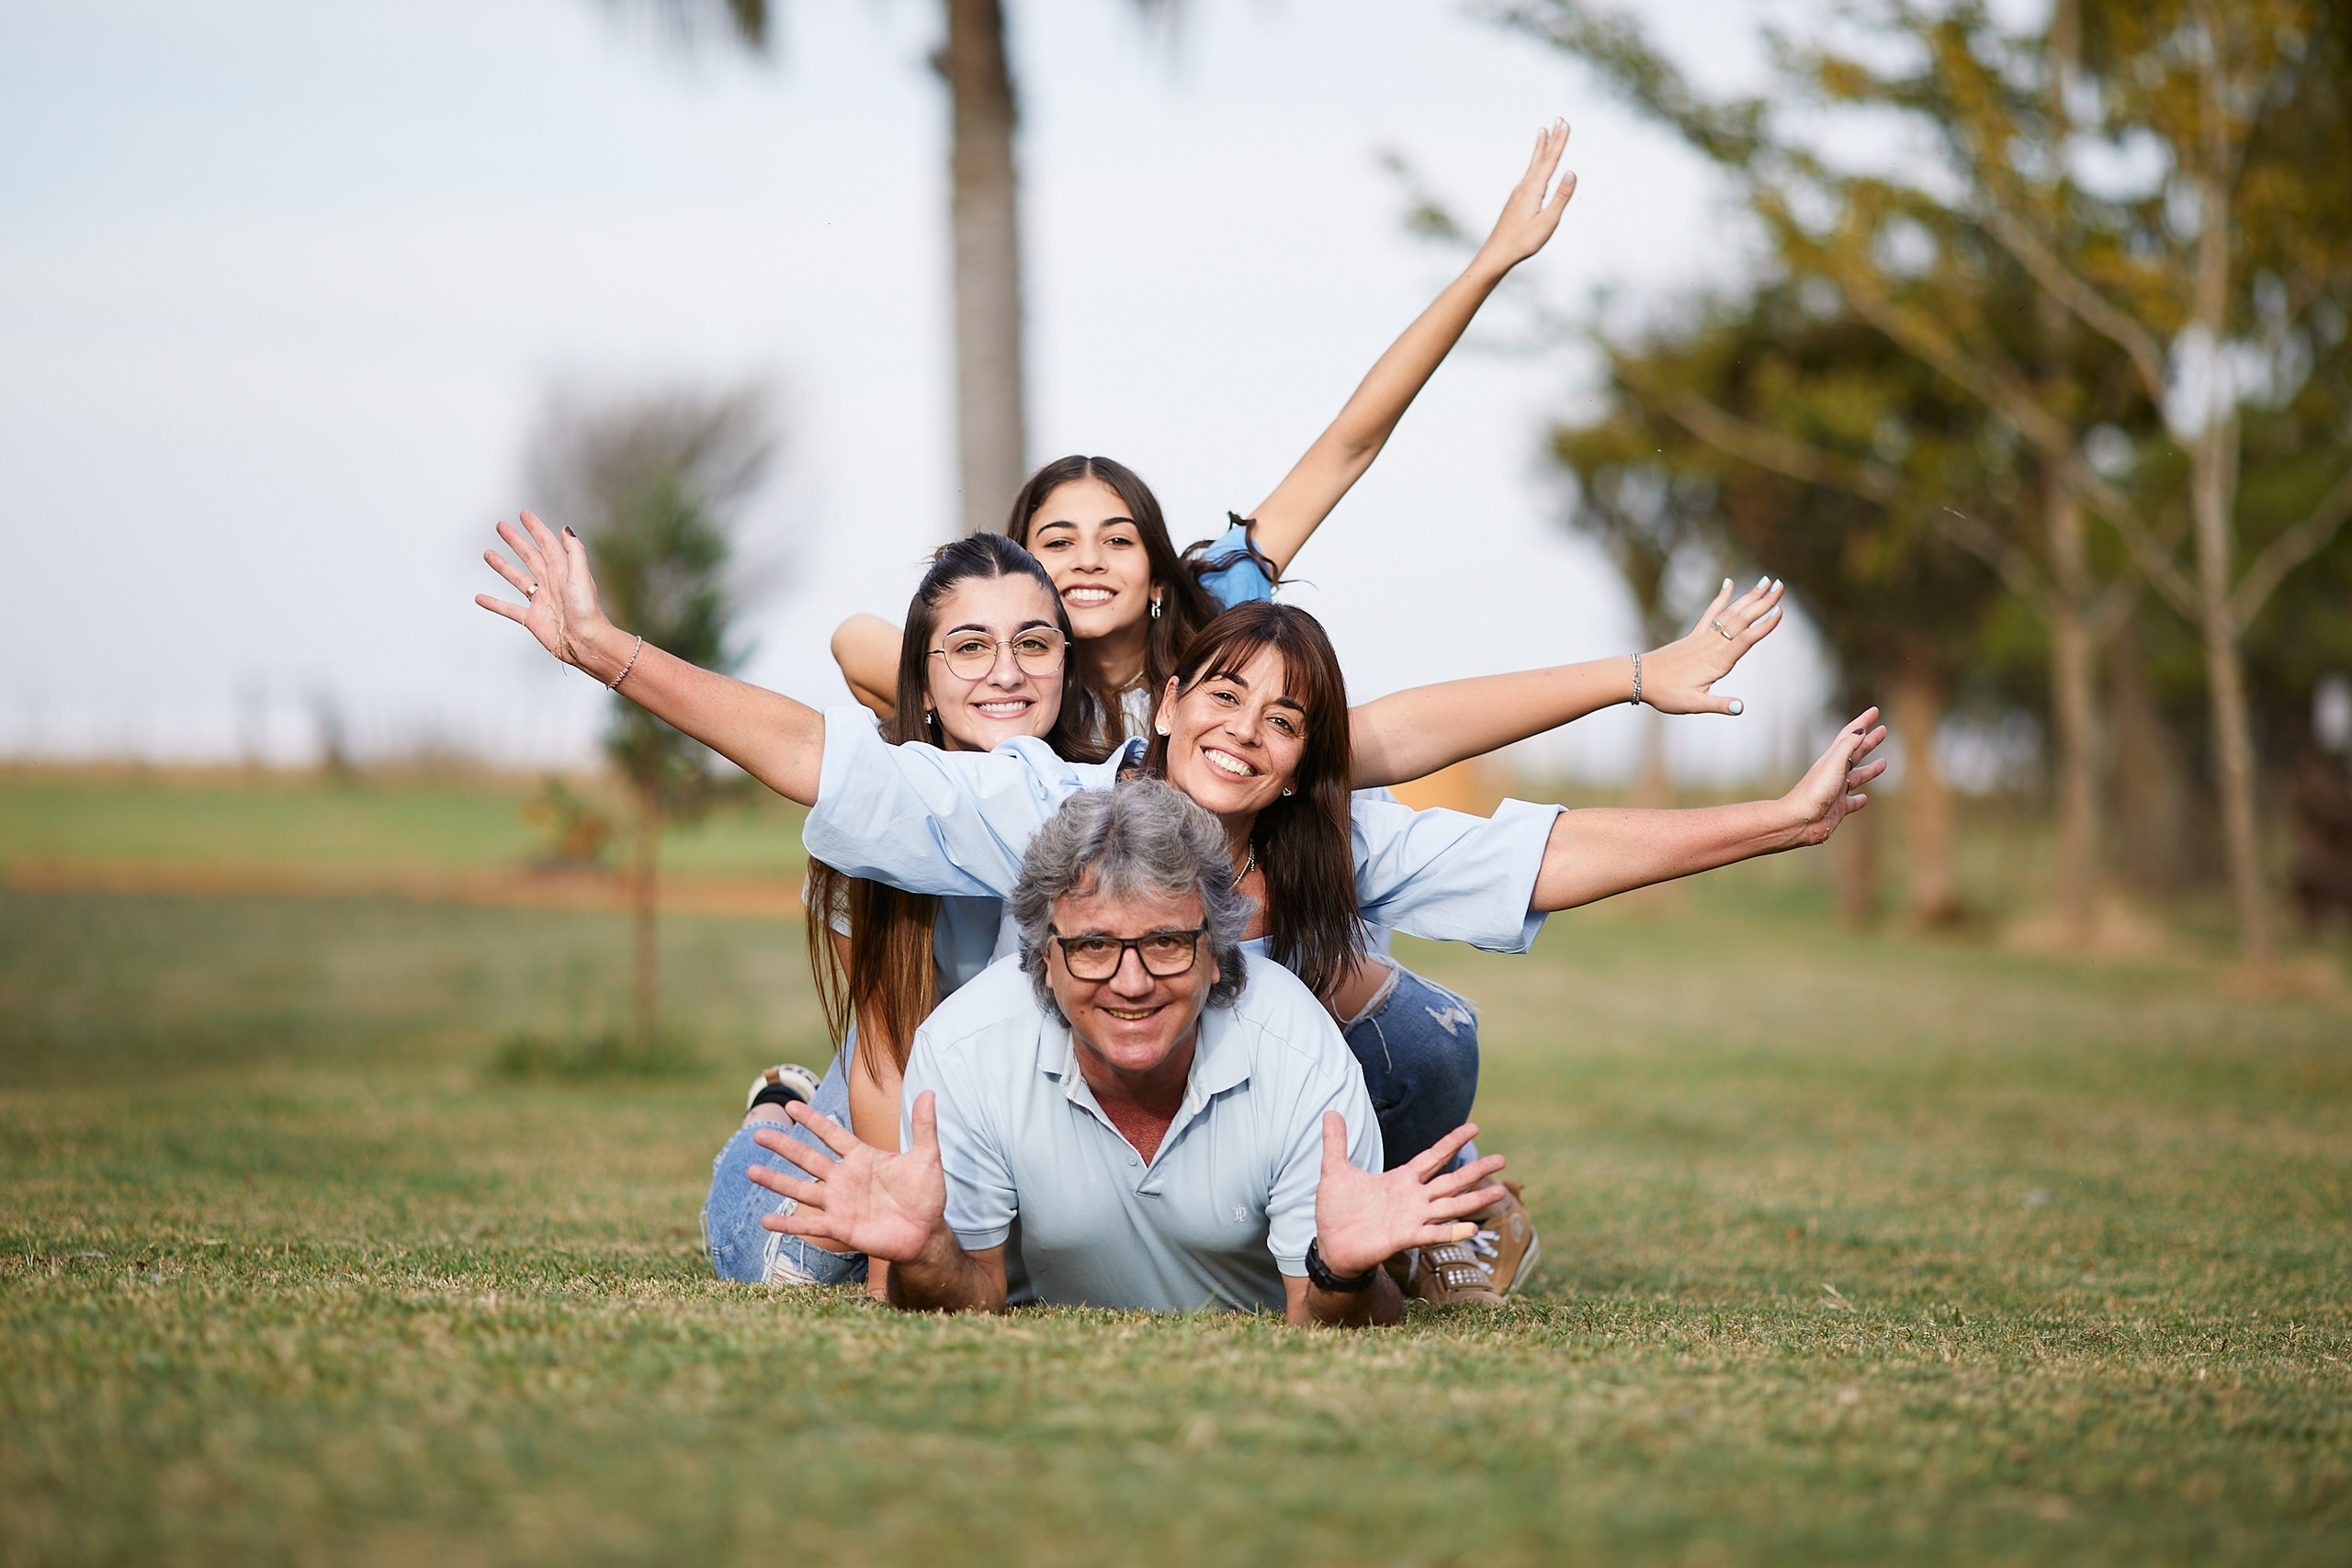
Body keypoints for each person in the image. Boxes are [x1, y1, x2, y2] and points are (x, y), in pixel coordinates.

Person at [830, 119, 1624, 760]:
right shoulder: (1015, 682)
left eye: (1118, 538)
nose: (1089, 559)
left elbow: (1350, 442)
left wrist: (1487, 266)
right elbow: (856, 642)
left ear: (1156, 573)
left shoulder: (1222, 613)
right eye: (1058, 542)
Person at [747, 779, 1510, 1322]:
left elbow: (1325, 1317)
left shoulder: (1296, 1046)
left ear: (1216, 949)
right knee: (766, 1258)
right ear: (1043, 954)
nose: (1133, 980)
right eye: (1094, 946)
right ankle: (782, 1101)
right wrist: (922, 1251)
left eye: (1166, 942)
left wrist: (1340, 1270)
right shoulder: (968, 1047)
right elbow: (971, 1297)